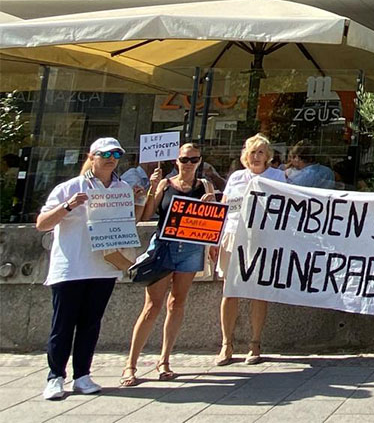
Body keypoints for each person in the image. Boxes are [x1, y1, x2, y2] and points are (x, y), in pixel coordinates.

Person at [36, 138, 131, 400]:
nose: (111, 158)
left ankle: (82, 375)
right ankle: (55, 376)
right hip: (71, 267)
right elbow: (42, 223)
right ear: (92, 156)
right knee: (63, 325)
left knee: (90, 324)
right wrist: (68, 206)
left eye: (116, 154)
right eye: (105, 154)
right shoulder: (70, 187)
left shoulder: (122, 187)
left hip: (103, 267)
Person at [121, 142, 216, 386]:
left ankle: (164, 360)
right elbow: (147, 215)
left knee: (178, 303)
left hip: (191, 248)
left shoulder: (205, 185)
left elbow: (212, 222)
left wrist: (209, 204)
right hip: (164, 246)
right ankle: (130, 365)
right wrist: (153, 188)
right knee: (152, 306)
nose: (189, 164)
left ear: (200, 161)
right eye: (185, 159)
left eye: (194, 159)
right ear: (177, 161)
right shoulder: (165, 184)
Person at [214, 134, 287, 366]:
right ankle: (227, 344)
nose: (256, 157)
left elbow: (286, 208)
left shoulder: (277, 177)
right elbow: (224, 209)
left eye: (261, 152)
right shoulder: (236, 177)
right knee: (229, 290)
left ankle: (255, 343)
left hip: (261, 238)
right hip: (233, 236)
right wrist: (214, 240)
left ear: (268, 156)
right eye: (253, 152)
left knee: (258, 291)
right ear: (245, 155)